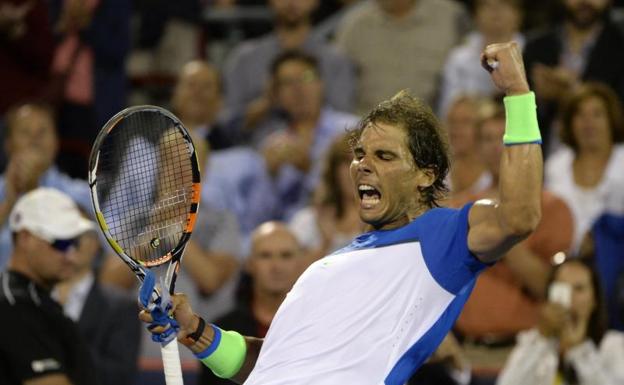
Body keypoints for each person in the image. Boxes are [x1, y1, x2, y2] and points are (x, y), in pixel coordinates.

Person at [141, 41, 543, 384]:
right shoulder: (328, 265)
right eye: (360, 154)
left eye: (385, 156)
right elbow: (273, 363)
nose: (363, 165)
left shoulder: (444, 235)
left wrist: (518, 93)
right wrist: (196, 331)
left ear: (426, 175)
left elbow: (519, 215)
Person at [452, 104, 574, 376]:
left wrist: (503, 231)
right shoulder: (460, 208)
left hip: (524, 355)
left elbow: (551, 289)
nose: (496, 147)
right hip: (466, 358)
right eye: (487, 139)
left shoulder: (552, 209)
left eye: (504, 138)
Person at [0, 187, 98, 385]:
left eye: (74, 243)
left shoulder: (39, 302)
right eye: (60, 243)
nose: (71, 256)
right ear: (25, 238)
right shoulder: (12, 305)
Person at [255, 50, 359, 219]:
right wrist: (270, 175)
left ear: (321, 83)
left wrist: (308, 169)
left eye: (306, 77)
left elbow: (358, 189)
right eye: (287, 82)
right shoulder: (272, 144)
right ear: (277, 95)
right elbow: (258, 218)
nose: (298, 88)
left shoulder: (351, 129)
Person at [199, 221, 306, 385]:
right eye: (265, 255)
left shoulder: (316, 325)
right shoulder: (221, 330)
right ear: (249, 264)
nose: (276, 266)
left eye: (286, 255)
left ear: (301, 263)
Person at [496, 259, 624, 385]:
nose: (570, 296)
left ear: (594, 299)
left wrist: (579, 350)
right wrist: (543, 338)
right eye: (562, 287)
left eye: (579, 289)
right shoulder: (535, 343)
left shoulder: (613, 345)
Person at [223, 0, 355, 120]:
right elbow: (228, 125)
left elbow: (343, 120)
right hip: (256, 144)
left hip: (320, 143)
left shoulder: (335, 59)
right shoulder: (245, 58)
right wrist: (267, 101)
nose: (292, 2)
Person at [523, 0, 624, 154]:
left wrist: (572, 91)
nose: (584, 1)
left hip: (609, 165)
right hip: (541, 159)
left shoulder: (620, 48)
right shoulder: (536, 48)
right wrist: (539, 99)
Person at [0, 103, 91, 269]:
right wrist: (10, 202)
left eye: (42, 131)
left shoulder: (82, 192)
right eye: (25, 132)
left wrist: (33, 190)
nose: (35, 139)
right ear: (8, 145)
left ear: (56, 142)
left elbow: (80, 250)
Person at [335, 0, 467, 114]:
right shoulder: (353, 25)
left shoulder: (449, 17)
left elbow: (466, 68)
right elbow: (338, 88)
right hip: (366, 127)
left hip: (430, 130)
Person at [53, 228, 141, 385]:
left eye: (79, 235)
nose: (72, 243)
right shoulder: (23, 299)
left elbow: (119, 376)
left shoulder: (122, 307)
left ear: (94, 244)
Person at [545, 83, 624, 254]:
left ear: (611, 119)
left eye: (597, 114)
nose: (588, 122)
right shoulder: (555, 165)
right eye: (580, 114)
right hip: (560, 261)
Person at [438, 0, 524, 117]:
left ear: (518, 14)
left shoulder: (530, 53)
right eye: (487, 6)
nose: (495, 13)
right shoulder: (459, 59)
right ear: (476, 15)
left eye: (503, 5)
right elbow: (448, 110)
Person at [288, 133, 363, 265]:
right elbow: (290, 276)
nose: (354, 170)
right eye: (347, 162)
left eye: (361, 160)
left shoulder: (390, 224)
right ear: (333, 170)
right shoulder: (307, 221)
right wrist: (325, 243)